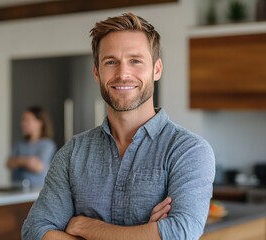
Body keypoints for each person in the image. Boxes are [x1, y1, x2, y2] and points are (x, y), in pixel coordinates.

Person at [22, 12, 215, 240]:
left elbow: (180, 233)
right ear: (97, 72)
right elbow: (35, 231)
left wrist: (85, 227)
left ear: (157, 69)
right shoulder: (73, 153)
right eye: (111, 62)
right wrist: (146, 234)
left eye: (135, 61)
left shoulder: (188, 150)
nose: (123, 74)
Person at [7, 106, 57, 189]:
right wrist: (28, 161)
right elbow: (9, 163)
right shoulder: (20, 144)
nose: (23, 123)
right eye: (23, 120)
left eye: (27, 120)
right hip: (17, 190)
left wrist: (18, 160)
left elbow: (38, 167)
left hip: (38, 191)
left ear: (40, 122)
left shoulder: (47, 144)